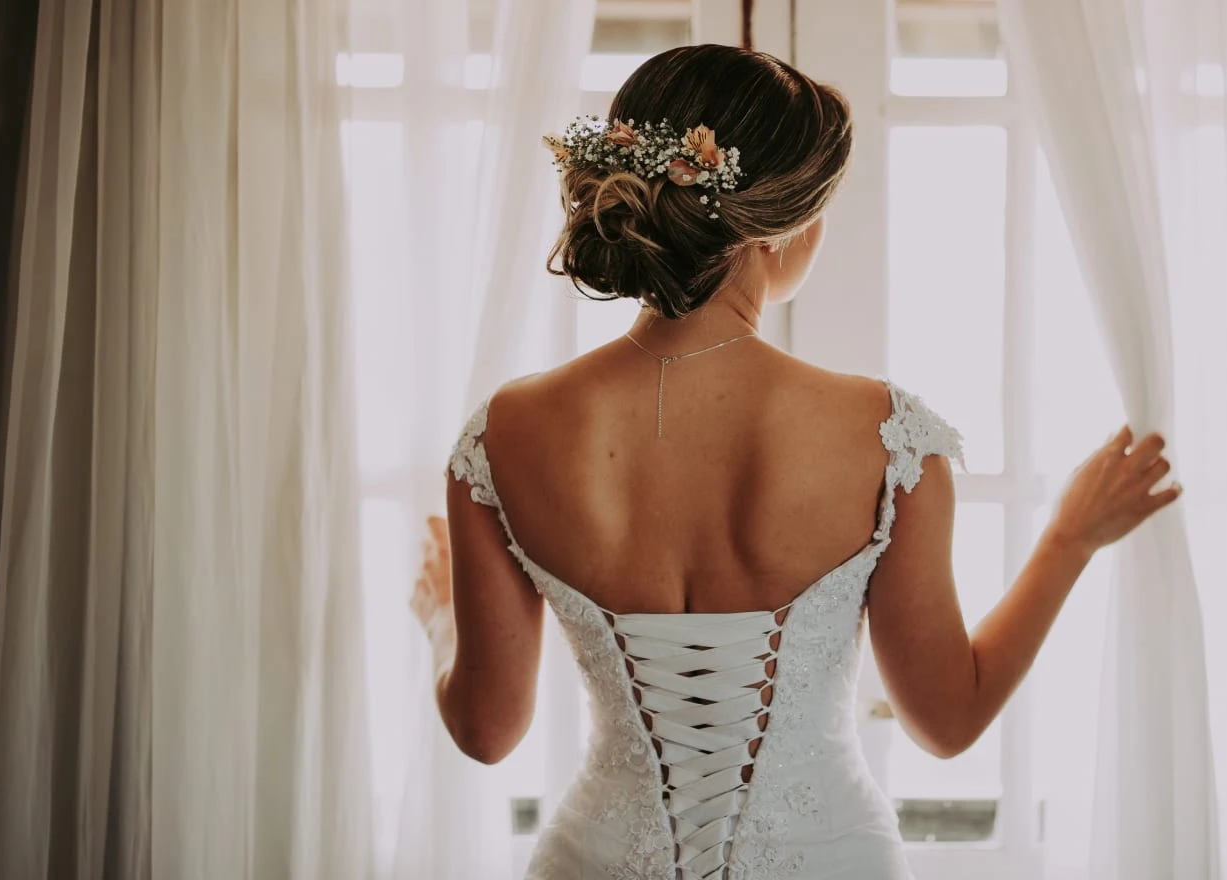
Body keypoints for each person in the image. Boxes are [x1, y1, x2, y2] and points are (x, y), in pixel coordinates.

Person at [409, 43, 1179, 880]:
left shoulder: (506, 433)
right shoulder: (886, 435)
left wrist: (443, 622)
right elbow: (948, 722)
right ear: (782, 228)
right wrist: (1066, 539)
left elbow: (487, 732)